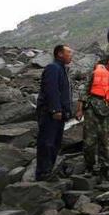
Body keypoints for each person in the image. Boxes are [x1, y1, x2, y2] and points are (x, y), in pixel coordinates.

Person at [75, 47, 109, 177]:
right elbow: (84, 91)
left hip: (107, 111)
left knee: (105, 142)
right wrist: (80, 110)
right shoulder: (96, 73)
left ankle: (104, 169)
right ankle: (89, 167)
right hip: (92, 109)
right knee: (89, 141)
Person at [35, 45, 73, 181]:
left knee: (55, 143)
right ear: (60, 54)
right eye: (68, 52)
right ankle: (42, 172)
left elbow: (64, 93)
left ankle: (49, 170)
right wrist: (55, 109)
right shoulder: (53, 68)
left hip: (59, 114)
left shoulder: (62, 69)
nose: (71, 55)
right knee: (47, 142)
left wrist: (67, 111)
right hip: (50, 113)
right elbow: (51, 90)